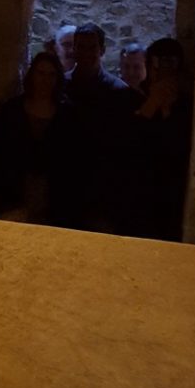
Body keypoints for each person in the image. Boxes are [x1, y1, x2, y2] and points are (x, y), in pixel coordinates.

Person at [60, 23, 138, 232]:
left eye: (91, 47)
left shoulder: (120, 93)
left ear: (102, 50)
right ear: (74, 49)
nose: (85, 52)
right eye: (81, 47)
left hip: (102, 189)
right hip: (65, 182)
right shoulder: (60, 86)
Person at [119, 37, 193, 241]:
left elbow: (179, 150)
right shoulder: (129, 98)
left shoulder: (187, 106)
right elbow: (126, 145)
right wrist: (152, 105)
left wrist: (167, 110)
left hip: (171, 197)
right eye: (159, 65)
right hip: (136, 194)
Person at [0, 50, 70, 224]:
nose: (45, 80)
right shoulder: (13, 110)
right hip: (14, 194)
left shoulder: (67, 115)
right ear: (32, 75)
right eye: (41, 73)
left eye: (51, 75)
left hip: (52, 200)